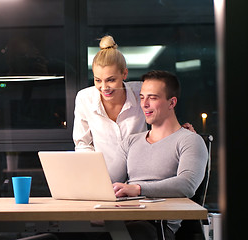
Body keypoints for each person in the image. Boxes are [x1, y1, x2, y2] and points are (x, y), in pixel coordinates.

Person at [111, 70, 208, 240]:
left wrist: (138, 189)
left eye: (153, 98)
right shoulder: (131, 142)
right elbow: (108, 181)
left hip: (157, 227)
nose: (144, 104)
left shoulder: (190, 140)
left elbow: (187, 184)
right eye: (142, 97)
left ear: (172, 103)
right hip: (124, 218)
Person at [73, 35, 147, 181]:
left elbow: (161, 125)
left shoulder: (141, 93)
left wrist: (179, 131)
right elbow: (83, 144)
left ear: (124, 74)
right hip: (101, 179)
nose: (104, 87)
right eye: (98, 80)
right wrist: (97, 177)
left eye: (111, 80)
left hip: (141, 179)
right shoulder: (84, 99)